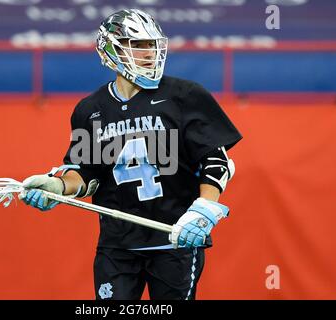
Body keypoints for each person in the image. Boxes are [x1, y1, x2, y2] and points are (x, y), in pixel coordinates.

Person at [20, 9, 242, 300]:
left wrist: (204, 209)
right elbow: (87, 173)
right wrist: (58, 187)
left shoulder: (184, 95)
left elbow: (216, 160)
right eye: (138, 45)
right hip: (117, 245)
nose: (149, 53)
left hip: (174, 239)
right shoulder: (90, 109)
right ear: (111, 49)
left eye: (152, 45)